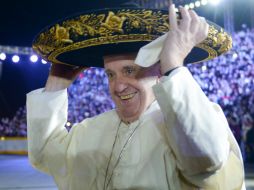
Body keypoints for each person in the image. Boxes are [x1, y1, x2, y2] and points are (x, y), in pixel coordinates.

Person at [27, 3, 245, 190]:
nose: (118, 86)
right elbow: (46, 156)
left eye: (130, 71)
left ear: (159, 71)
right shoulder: (92, 128)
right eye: (110, 74)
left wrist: (174, 65)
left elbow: (206, 159)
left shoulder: (198, 119)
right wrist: (56, 83)